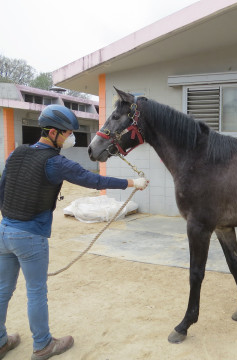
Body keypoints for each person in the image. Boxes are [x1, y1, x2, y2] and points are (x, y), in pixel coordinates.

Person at [0, 105, 148, 359]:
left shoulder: (17, 153)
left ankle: (1, 341)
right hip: (30, 236)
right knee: (36, 292)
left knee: (3, 289)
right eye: (68, 133)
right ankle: (43, 345)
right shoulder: (55, 162)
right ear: (54, 133)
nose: (72, 138)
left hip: (4, 232)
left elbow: (2, 190)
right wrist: (132, 182)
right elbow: (94, 180)